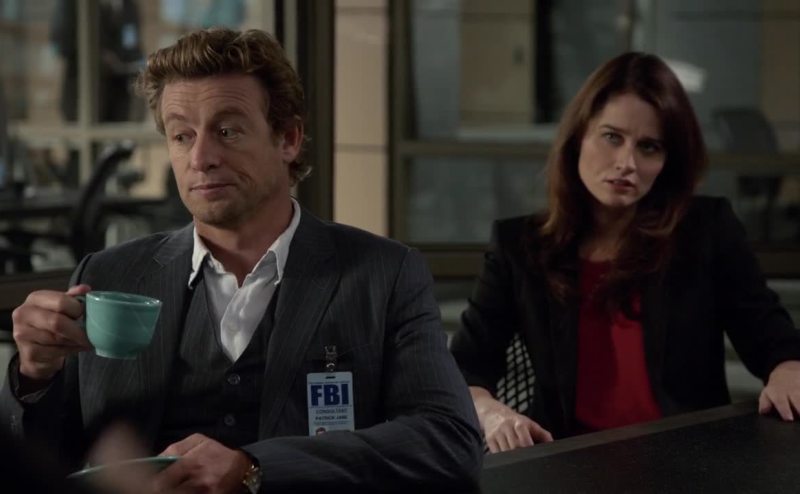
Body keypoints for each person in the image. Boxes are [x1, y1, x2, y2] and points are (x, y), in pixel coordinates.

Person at [0, 28, 482, 492]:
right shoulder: (109, 276)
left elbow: (447, 440)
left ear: (288, 139)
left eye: (227, 131)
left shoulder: (383, 275)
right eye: (182, 136)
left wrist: (255, 468)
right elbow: (42, 465)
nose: (201, 158)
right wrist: (34, 377)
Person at [450, 52, 800, 453]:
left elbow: (771, 336)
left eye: (648, 147)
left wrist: (788, 370)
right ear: (578, 137)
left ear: (667, 160)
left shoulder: (706, 230)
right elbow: (463, 367)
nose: (626, 163)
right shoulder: (520, 246)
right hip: (565, 462)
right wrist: (490, 412)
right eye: (612, 137)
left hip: (687, 462)